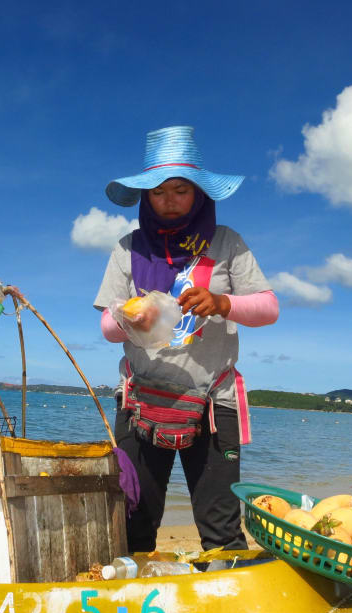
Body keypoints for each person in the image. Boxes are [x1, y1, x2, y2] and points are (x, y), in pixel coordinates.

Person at [94, 126, 279, 552]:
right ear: (145, 198)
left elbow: (269, 309)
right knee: (134, 521)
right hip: (141, 402)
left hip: (214, 403)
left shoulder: (226, 242)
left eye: (180, 190)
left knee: (221, 529)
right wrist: (132, 315)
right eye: (158, 193)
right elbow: (106, 327)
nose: (169, 201)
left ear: (199, 193)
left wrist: (222, 302)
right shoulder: (129, 248)